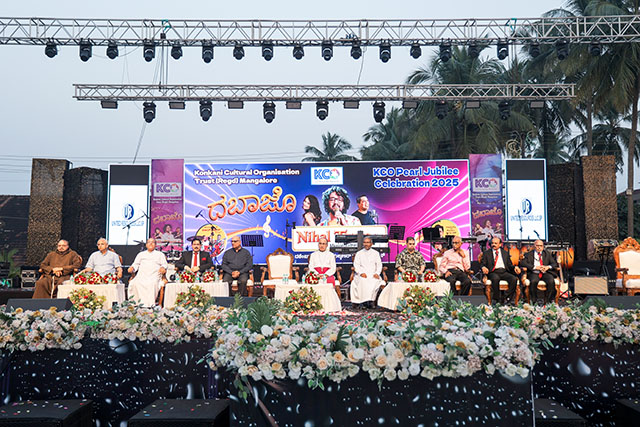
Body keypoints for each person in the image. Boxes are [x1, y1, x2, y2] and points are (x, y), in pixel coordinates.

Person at [127, 238, 168, 306]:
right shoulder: (141, 254)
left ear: (155, 245)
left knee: (151, 283)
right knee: (134, 283)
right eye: (149, 242)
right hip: (142, 275)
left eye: (153, 242)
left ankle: (149, 305)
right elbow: (135, 264)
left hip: (154, 275)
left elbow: (164, 264)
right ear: (146, 245)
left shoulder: (160, 254)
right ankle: (136, 304)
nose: (151, 244)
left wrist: (163, 268)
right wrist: (132, 268)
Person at [481, 237, 521, 304]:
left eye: (495, 243)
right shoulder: (487, 253)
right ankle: (497, 299)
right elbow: (482, 264)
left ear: (500, 244)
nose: (493, 245)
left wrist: (515, 267)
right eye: (492, 243)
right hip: (493, 272)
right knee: (495, 278)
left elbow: (509, 265)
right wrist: (483, 267)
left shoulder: (505, 253)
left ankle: (506, 297)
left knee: (513, 279)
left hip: (504, 271)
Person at [520, 240, 558, 304]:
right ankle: (534, 302)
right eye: (537, 245)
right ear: (534, 246)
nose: (539, 247)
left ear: (543, 246)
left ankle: (548, 302)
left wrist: (547, 267)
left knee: (551, 281)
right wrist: (535, 267)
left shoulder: (547, 254)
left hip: (545, 272)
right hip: (534, 272)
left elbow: (554, 264)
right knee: (533, 281)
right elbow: (523, 263)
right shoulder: (528, 254)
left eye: (541, 246)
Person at [351, 236, 384, 308]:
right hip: (362, 274)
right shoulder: (359, 253)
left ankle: (371, 301)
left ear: (371, 244)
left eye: (368, 242)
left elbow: (379, 265)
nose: (366, 244)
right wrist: (361, 273)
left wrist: (377, 273)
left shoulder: (376, 253)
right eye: (365, 242)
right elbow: (356, 265)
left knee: (374, 281)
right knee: (363, 281)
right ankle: (363, 302)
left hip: (373, 274)